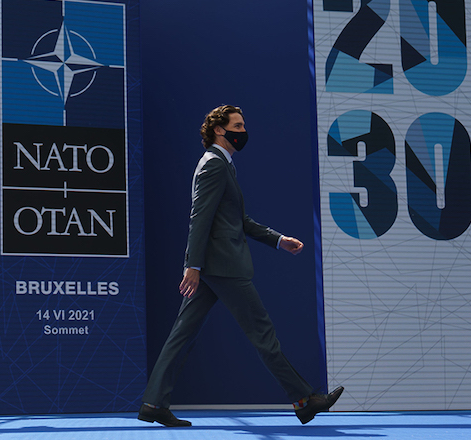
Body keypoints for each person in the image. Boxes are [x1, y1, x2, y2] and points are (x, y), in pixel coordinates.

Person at [137, 105, 343, 427]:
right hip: (224, 267)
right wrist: (191, 265)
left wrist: (278, 240)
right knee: (263, 334)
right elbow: (199, 217)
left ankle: (153, 403)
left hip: (212, 267)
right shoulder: (215, 166)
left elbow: (239, 220)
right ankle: (304, 399)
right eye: (238, 125)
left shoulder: (222, 165)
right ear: (220, 130)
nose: (243, 131)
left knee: (182, 334)